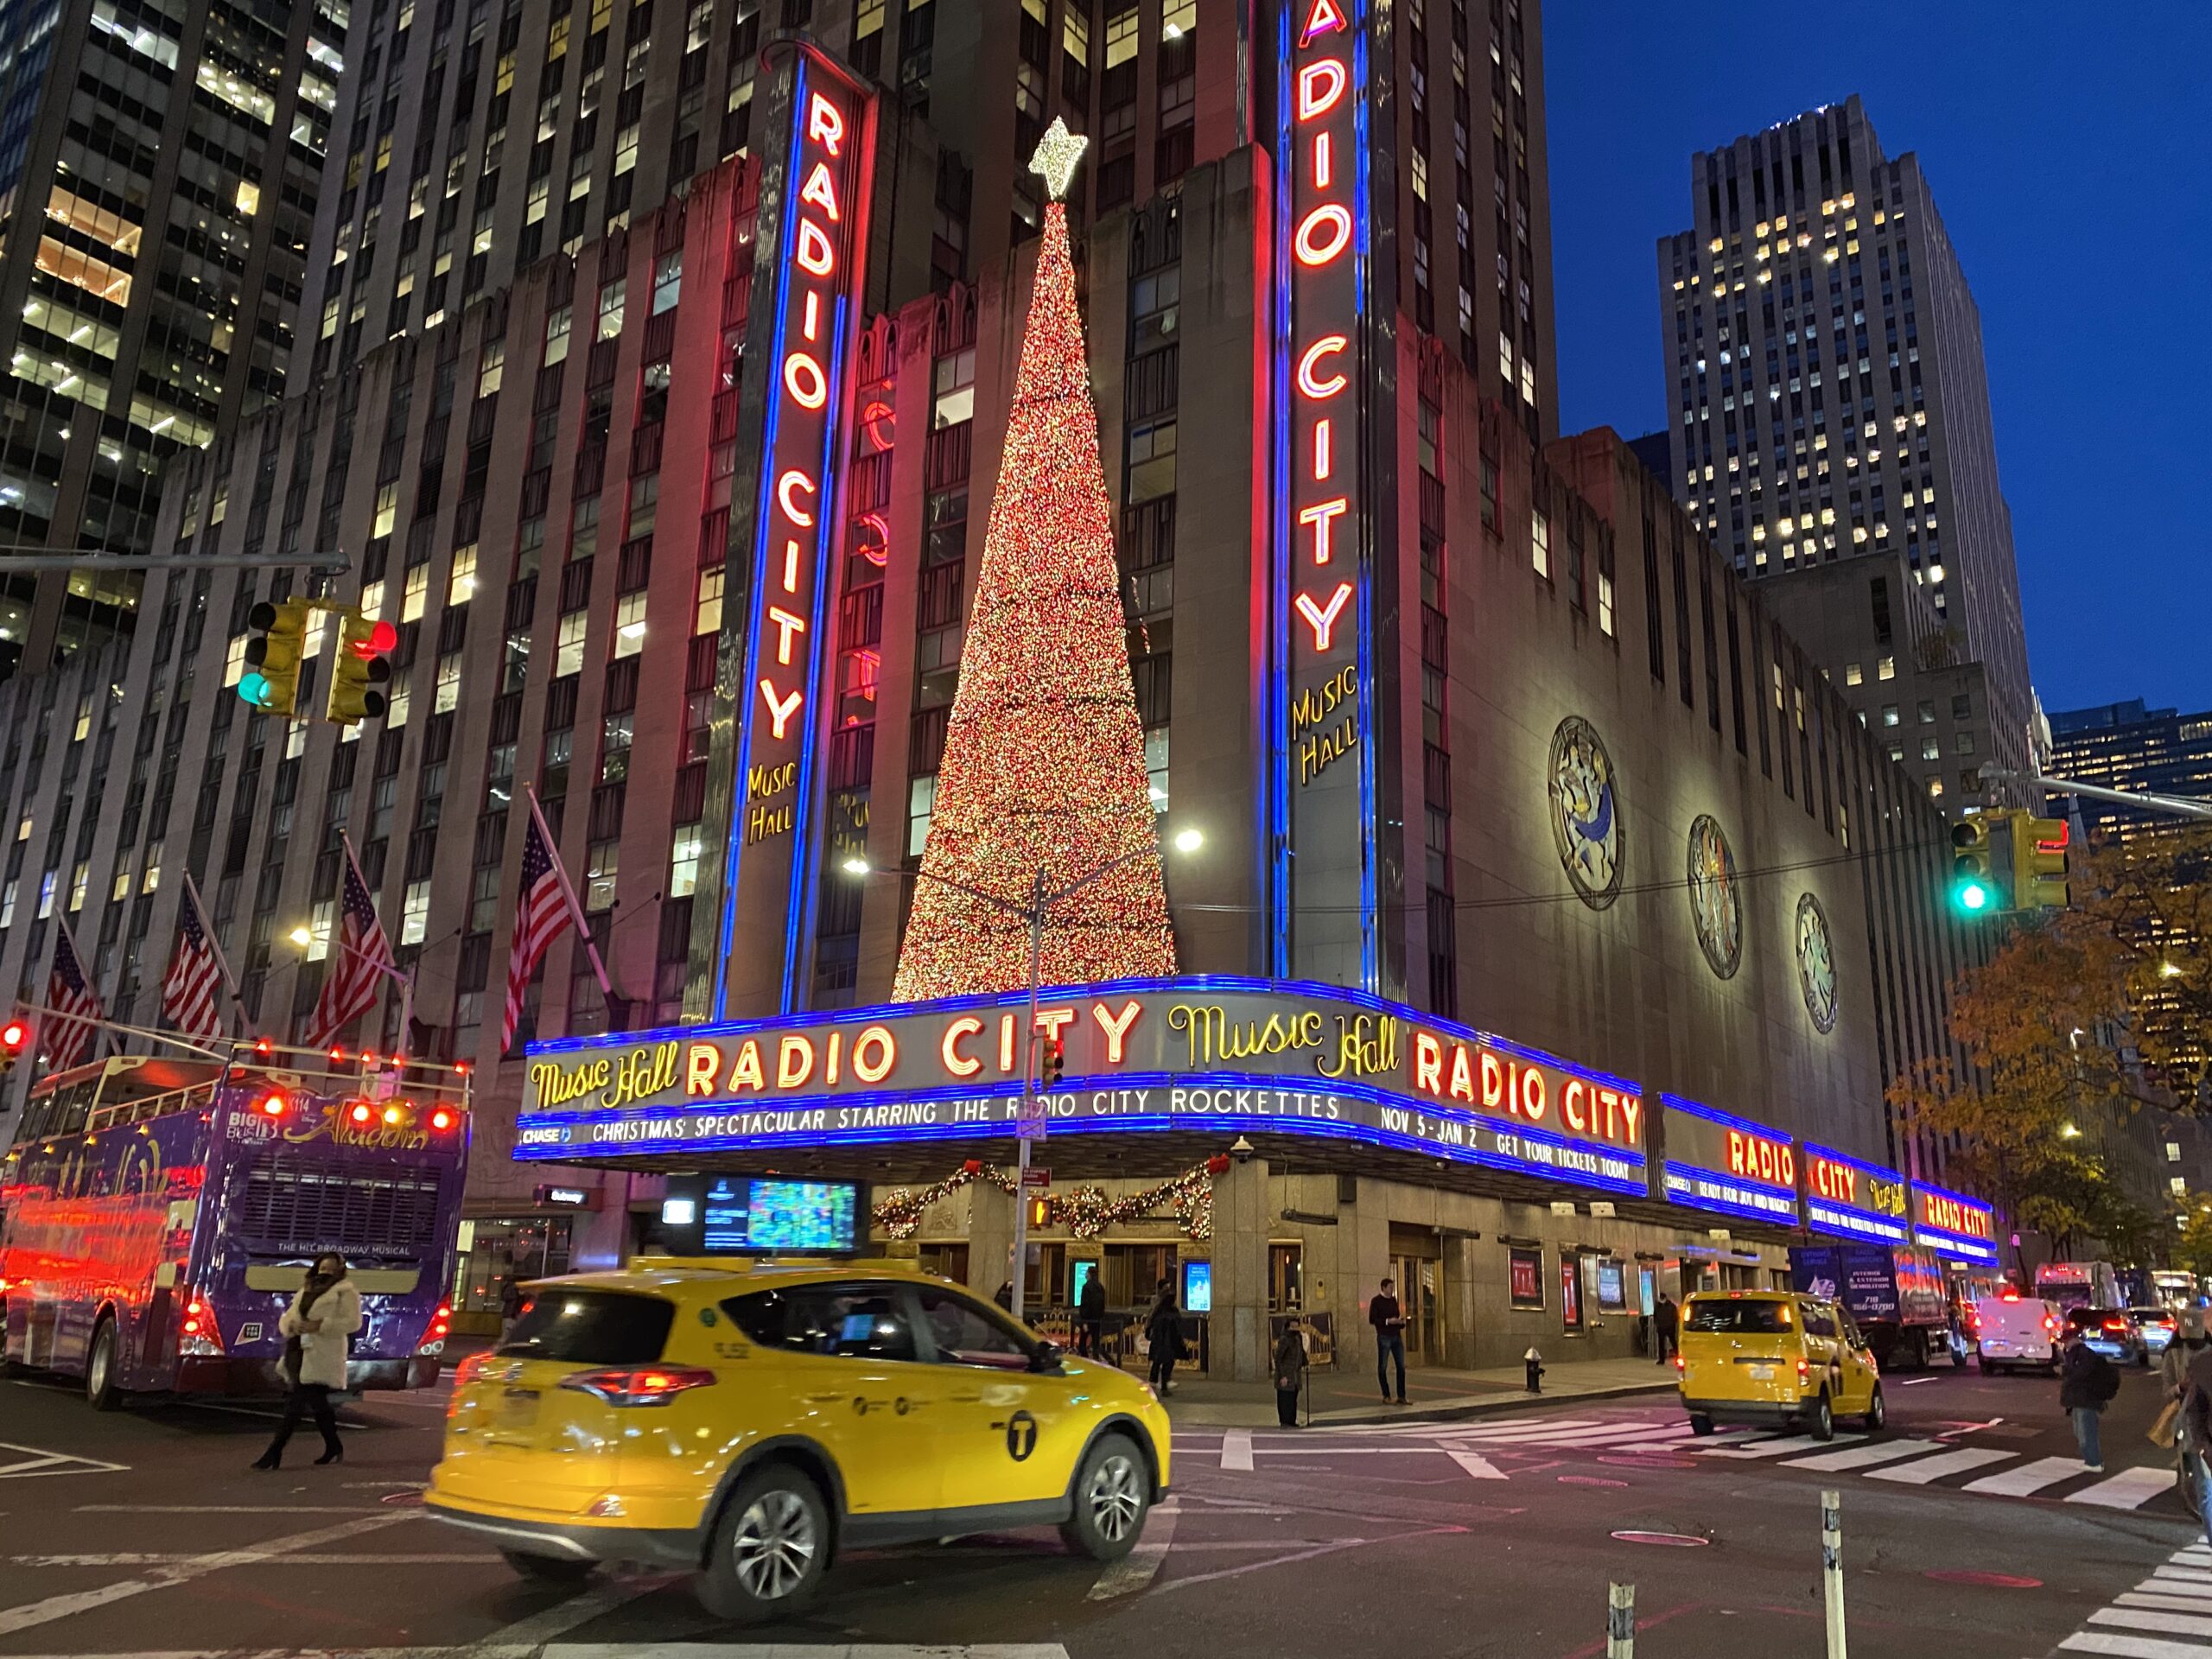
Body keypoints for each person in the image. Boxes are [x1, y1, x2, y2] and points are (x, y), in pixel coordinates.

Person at [252, 1253, 362, 1471]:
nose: (326, 1272)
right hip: (298, 1352)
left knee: (294, 1405)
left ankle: (274, 1452)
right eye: (323, 1267)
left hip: (322, 1354)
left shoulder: (345, 1292)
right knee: (319, 1405)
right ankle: (333, 1446)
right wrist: (291, 1325)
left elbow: (353, 1322)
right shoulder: (307, 1289)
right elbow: (290, 1316)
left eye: (331, 1269)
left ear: (340, 1271)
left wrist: (321, 1325)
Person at [2057, 1325, 2113, 1472]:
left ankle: (2094, 1462)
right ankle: (2091, 1460)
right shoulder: (2079, 1354)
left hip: (2085, 1399)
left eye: (2066, 1341)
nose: (2065, 1344)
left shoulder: (2082, 1354)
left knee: (2086, 1432)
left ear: (2073, 1340)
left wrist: (2065, 1371)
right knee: (2081, 1431)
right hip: (2081, 1399)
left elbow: (2080, 1374)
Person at [1370, 1277, 1408, 1404]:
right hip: (1384, 1336)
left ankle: (1401, 1396)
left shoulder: (1393, 1300)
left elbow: (1396, 1315)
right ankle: (1386, 1395)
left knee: (1401, 1366)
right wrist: (1387, 1321)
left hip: (1396, 1335)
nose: (1392, 1290)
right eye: (1390, 1287)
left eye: (1393, 1287)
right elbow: (1373, 1319)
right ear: (1384, 1288)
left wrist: (1400, 1322)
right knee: (1383, 1366)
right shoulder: (1376, 1301)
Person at [1145, 1283, 1184, 1395]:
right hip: (1168, 1342)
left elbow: (1150, 1324)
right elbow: (1178, 1326)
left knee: (1158, 1362)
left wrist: (1149, 1335)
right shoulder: (1172, 1311)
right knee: (1167, 1363)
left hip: (1159, 1341)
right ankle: (1163, 1385)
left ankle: (1154, 1381)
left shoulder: (1158, 1310)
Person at [1274, 1320, 1308, 1428]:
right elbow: (1278, 1359)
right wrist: (1282, 1376)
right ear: (1288, 1327)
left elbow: (1301, 1353)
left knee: (1293, 1399)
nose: (1294, 1328)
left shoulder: (1298, 1338)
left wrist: (1305, 1361)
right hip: (1286, 1374)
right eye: (1292, 1326)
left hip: (1295, 1375)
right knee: (1285, 1399)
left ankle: (1292, 1420)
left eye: (1296, 1326)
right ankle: (1285, 1421)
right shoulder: (1285, 1339)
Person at [1077, 1269, 1107, 1359]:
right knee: (1096, 1342)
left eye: (1086, 1273)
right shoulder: (1100, 1287)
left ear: (1089, 1274)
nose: (1085, 1275)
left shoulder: (1086, 1287)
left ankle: (1084, 1360)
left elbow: (1085, 1304)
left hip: (1088, 1319)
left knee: (1083, 1342)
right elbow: (1102, 1305)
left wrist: (1084, 1321)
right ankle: (1096, 1359)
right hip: (1097, 1320)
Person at [1654, 1294, 1680, 1366]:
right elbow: (1655, 1316)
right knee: (1661, 1344)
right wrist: (1657, 1324)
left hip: (1670, 1327)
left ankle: (1679, 1357)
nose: (1661, 1300)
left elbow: (1675, 1317)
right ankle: (1661, 1360)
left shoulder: (1671, 1306)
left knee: (1673, 1342)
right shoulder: (1657, 1306)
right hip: (1661, 1327)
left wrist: (1672, 1323)